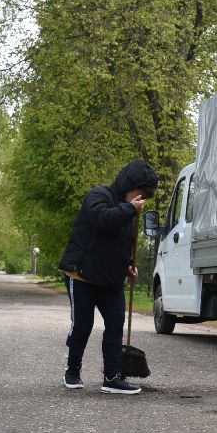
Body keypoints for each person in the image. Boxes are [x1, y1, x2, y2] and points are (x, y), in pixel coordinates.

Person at [58, 159, 158, 396]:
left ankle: (112, 377)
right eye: (140, 193)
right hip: (81, 274)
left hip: (110, 280)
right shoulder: (99, 195)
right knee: (83, 325)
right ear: (128, 184)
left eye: (145, 196)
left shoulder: (129, 211)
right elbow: (102, 220)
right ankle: (72, 370)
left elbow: (120, 244)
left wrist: (128, 266)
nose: (141, 199)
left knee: (115, 326)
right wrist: (131, 210)